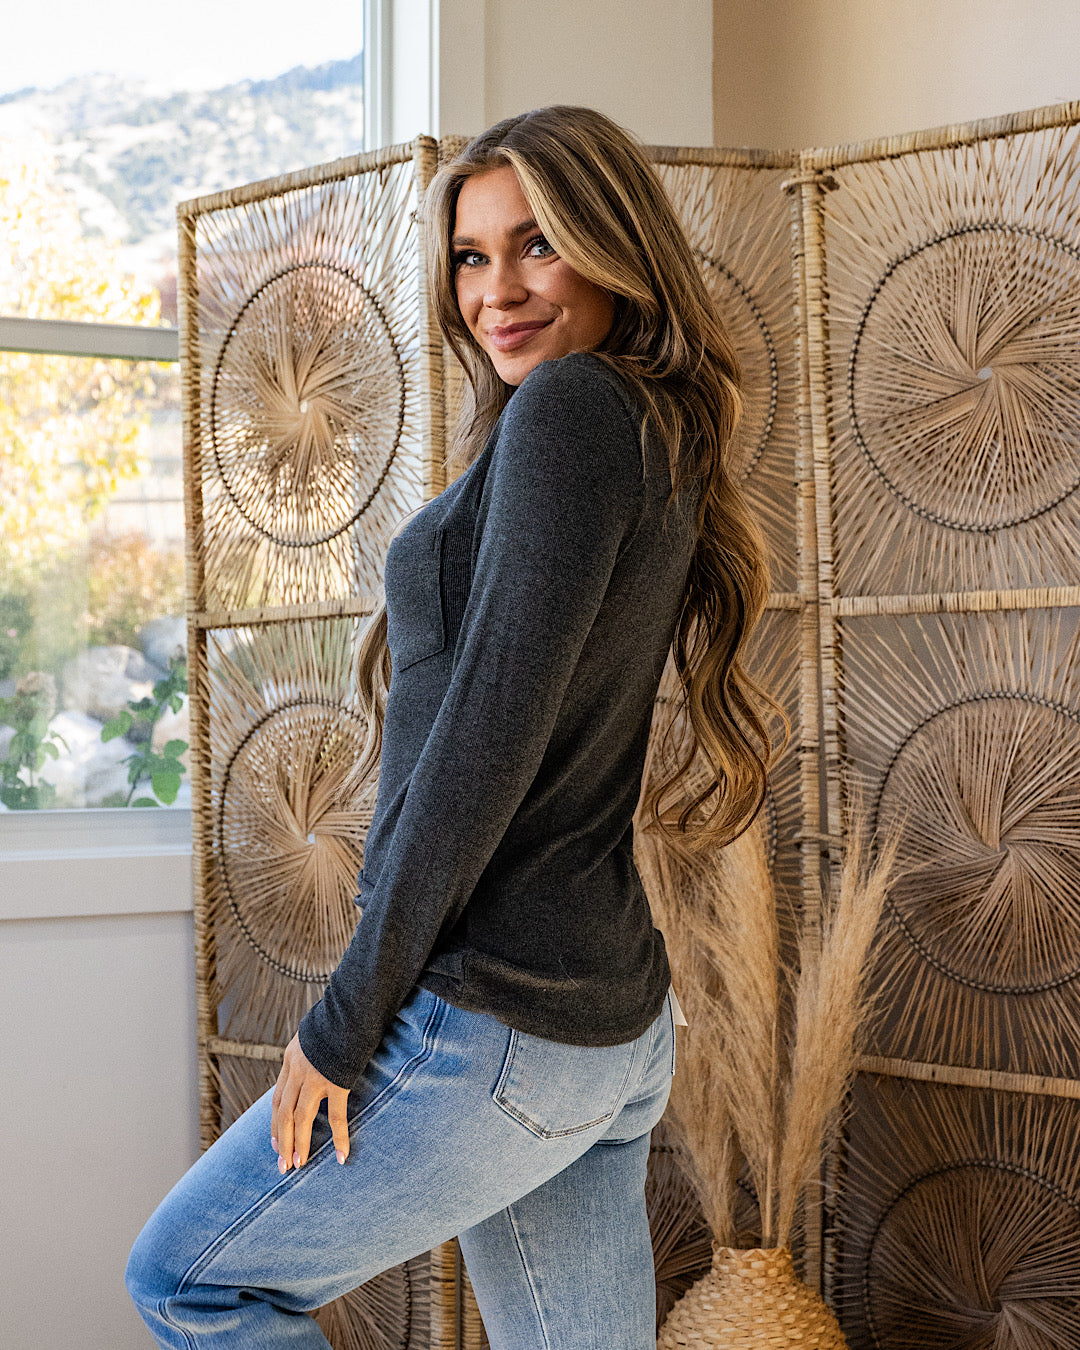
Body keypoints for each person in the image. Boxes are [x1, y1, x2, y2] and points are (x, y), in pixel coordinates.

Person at [126, 104, 782, 1349]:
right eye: (472, 256)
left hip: (500, 1017)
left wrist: (344, 1018)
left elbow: (487, 743)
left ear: (617, 247)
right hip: (606, 1026)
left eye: (540, 245)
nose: (497, 291)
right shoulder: (648, 421)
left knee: (187, 1282)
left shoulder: (574, 409)